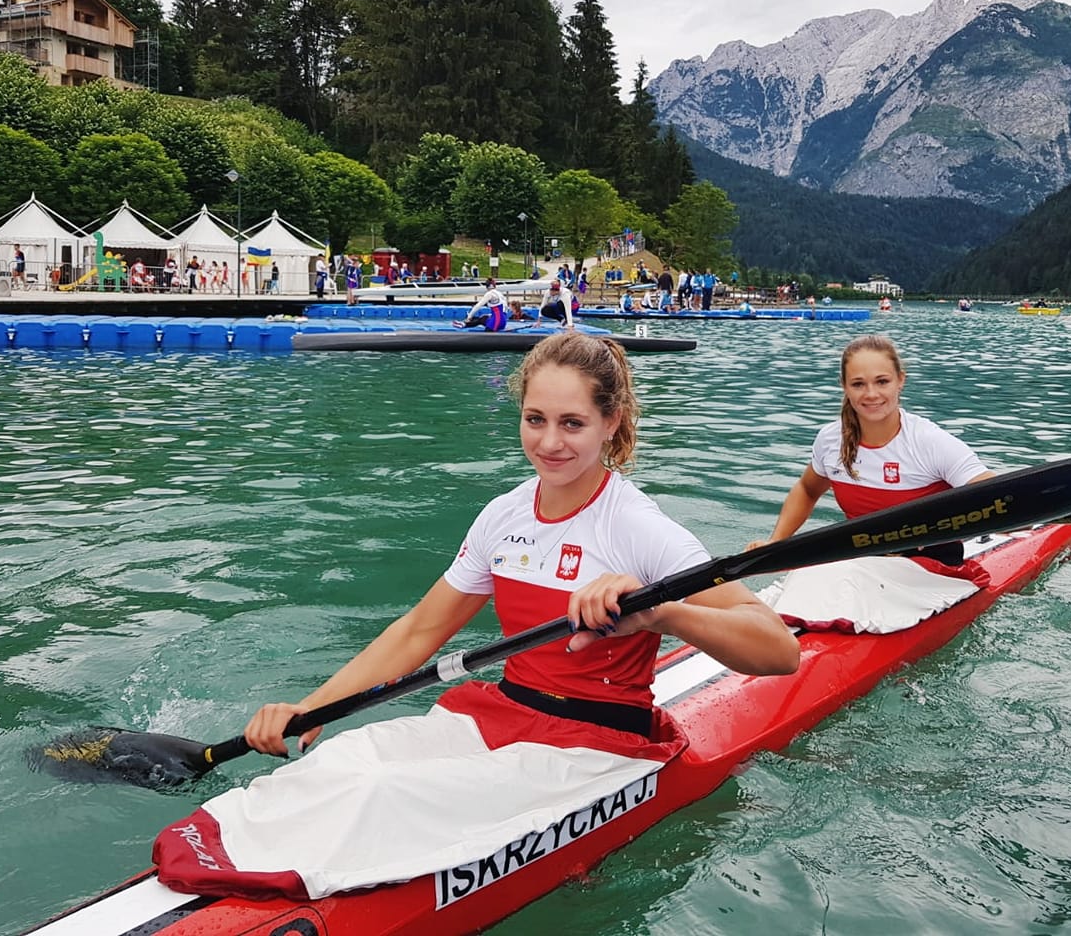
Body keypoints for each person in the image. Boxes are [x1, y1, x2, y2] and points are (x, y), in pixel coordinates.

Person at [197, 333, 798, 898]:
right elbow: (420, 630)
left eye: (573, 424)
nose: (549, 442)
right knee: (336, 767)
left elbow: (777, 650)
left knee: (385, 792)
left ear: (610, 424)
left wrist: (665, 613)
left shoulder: (638, 528)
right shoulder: (503, 516)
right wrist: (312, 706)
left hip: (596, 745)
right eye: (535, 419)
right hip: (502, 714)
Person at [749, 335, 992, 569]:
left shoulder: (930, 441)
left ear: (900, 380)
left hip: (934, 570)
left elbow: (997, 499)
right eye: (858, 384)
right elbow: (807, 489)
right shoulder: (831, 439)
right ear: (844, 386)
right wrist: (776, 543)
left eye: (882, 381)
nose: (871, 394)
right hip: (863, 564)